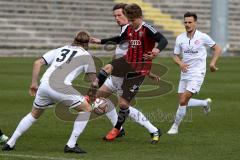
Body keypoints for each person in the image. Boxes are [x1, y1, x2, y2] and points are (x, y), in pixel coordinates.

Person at [2, 31, 102, 153]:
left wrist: (34, 83)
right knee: (86, 109)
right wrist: (93, 96)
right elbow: (94, 83)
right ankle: (71, 145)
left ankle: (10, 142)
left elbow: (37, 62)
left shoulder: (61, 49)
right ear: (88, 43)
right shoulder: (87, 56)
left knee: (33, 114)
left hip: (44, 86)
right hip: (60, 87)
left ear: (74, 39)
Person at [91, 3, 168, 141]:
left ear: (139, 17)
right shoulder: (128, 30)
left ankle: (146, 129)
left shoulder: (146, 29)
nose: (129, 23)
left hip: (135, 72)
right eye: (115, 16)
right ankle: (118, 128)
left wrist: (156, 50)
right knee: (98, 96)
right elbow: (119, 40)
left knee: (123, 105)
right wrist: (100, 41)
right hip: (123, 69)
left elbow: (163, 40)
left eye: (120, 16)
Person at [167, 12, 221, 135]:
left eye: (190, 22)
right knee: (183, 100)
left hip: (197, 73)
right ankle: (204, 103)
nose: (187, 24)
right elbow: (175, 55)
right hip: (185, 72)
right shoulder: (180, 38)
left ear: (195, 23)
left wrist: (212, 63)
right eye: (185, 22)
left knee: (183, 101)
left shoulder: (203, 37)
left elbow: (217, 48)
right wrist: (180, 63)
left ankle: (175, 126)